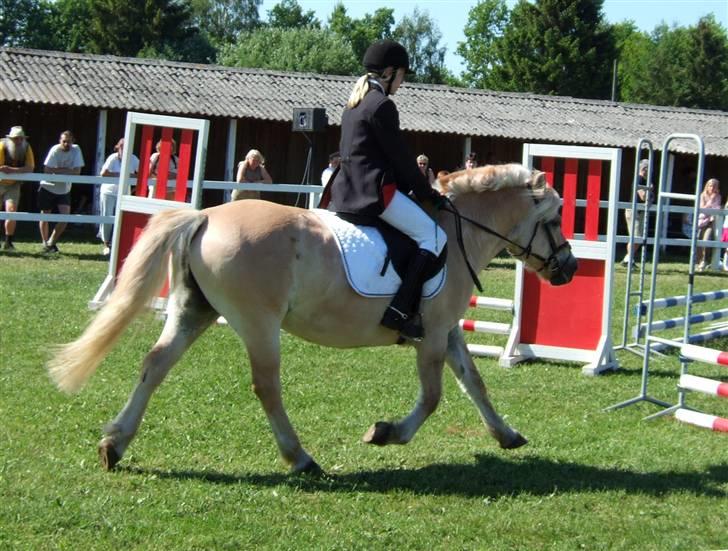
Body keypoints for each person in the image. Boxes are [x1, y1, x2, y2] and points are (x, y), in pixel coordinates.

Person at [327, 39, 446, 341]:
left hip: (346, 193)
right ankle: (401, 311)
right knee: (433, 236)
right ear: (390, 72)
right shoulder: (382, 106)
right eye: (402, 76)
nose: (402, 83)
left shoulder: (354, 103)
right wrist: (427, 194)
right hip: (374, 195)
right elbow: (402, 160)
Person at [39, 130, 84, 253]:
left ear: (73, 141)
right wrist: (66, 170)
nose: (66, 144)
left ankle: (51, 242)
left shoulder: (76, 150)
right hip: (48, 186)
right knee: (45, 215)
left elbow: (77, 171)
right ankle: (44, 243)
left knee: (65, 217)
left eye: (68, 142)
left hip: (64, 189)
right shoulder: (54, 150)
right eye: (64, 141)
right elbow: (47, 170)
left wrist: (58, 170)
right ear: (60, 141)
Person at [99, 138, 140, 255]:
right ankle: (106, 243)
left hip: (124, 193)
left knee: (123, 217)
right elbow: (104, 173)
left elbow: (141, 174)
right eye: (122, 147)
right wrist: (122, 174)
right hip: (109, 191)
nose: (124, 149)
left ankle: (119, 243)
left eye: (127, 147)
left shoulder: (133, 158)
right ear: (118, 147)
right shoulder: (112, 158)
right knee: (107, 216)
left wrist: (128, 177)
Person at [0, 126, 35, 250]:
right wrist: (14, 171)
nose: (18, 141)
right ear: (10, 139)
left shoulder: (26, 148)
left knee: (12, 211)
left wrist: (11, 170)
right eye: (15, 138)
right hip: (0, 182)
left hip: (14, 184)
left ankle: (8, 242)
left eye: (20, 138)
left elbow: (30, 167)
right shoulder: (2, 146)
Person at [622, 159, 653, 266]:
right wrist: (650, 190)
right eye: (649, 168)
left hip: (640, 211)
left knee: (638, 238)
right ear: (644, 169)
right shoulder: (639, 179)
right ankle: (628, 260)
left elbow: (651, 200)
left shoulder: (645, 181)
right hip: (633, 211)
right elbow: (643, 197)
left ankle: (628, 259)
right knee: (635, 237)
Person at [696, 178, 721, 272]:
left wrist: (711, 205)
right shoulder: (702, 195)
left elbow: (717, 208)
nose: (712, 187)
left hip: (710, 222)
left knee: (706, 240)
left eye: (715, 186)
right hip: (701, 221)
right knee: (698, 240)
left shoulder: (718, 196)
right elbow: (702, 208)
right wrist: (711, 200)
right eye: (711, 185)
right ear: (707, 186)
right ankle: (699, 261)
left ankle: (705, 260)